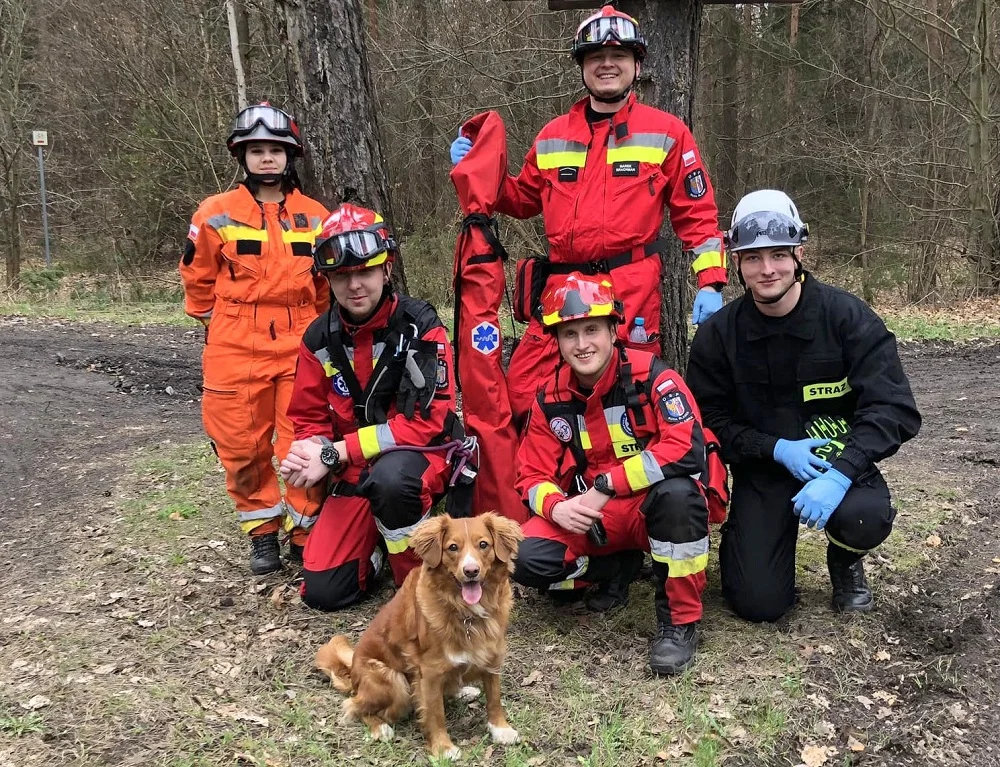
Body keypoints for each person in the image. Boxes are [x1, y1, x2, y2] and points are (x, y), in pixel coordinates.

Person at [450, 5, 727, 424]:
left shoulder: (668, 132)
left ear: (637, 64)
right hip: (564, 287)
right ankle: (543, 482)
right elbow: (521, 199)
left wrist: (711, 281)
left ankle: (620, 483)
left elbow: (698, 215)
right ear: (582, 66)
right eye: (596, 57)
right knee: (525, 394)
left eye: (619, 56)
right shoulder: (553, 136)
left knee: (629, 396)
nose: (608, 65)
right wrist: (480, 168)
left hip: (629, 287)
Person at [686, 190, 921, 623]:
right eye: (753, 257)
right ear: (736, 262)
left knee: (865, 519)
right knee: (757, 603)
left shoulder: (848, 318)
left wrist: (841, 473)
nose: (767, 268)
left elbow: (894, 408)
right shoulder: (719, 336)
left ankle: (846, 559)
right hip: (764, 465)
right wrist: (775, 449)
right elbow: (708, 421)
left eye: (778, 254)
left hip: (838, 462)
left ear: (799, 253)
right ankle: (753, 547)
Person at [513, 272, 710, 675]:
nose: (582, 345)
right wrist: (555, 508)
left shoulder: (653, 377)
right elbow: (529, 475)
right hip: (592, 515)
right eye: (570, 334)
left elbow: (686, 448)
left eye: (591, 330)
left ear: (612, 329)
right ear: (557, 339)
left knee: (679, 496)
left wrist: (608, 484)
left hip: (647, 508)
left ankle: (679, 622)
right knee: (523, 558)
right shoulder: (549, 397)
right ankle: (612, 569)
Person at [278, 204, 465, 611]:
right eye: (342, 276)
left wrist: (337, 451)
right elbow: (308, 415)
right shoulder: (318, 338)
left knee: (393, 482)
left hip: (419, 456)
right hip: (354, 469)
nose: (355, 285)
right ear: (327, 279)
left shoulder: (421, 327)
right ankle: (376, 549)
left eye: (365, 272)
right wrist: (310, 451)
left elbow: (428, 421)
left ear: (386, 269)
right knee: (325, 592)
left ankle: (413, 585)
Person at [180, 102, 330, 575]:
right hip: (233, 341)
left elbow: (325, 286)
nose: (267, 159)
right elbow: (197, 280)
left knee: (300, 443)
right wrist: (221, 325)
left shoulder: (315, 216)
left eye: (275, 151)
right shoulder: (215, 213)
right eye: (257, 150)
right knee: (240, 444)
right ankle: (261, 531)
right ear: (241, 156)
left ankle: (305, 532)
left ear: (291, 156)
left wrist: (318, 332)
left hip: (300, 340)